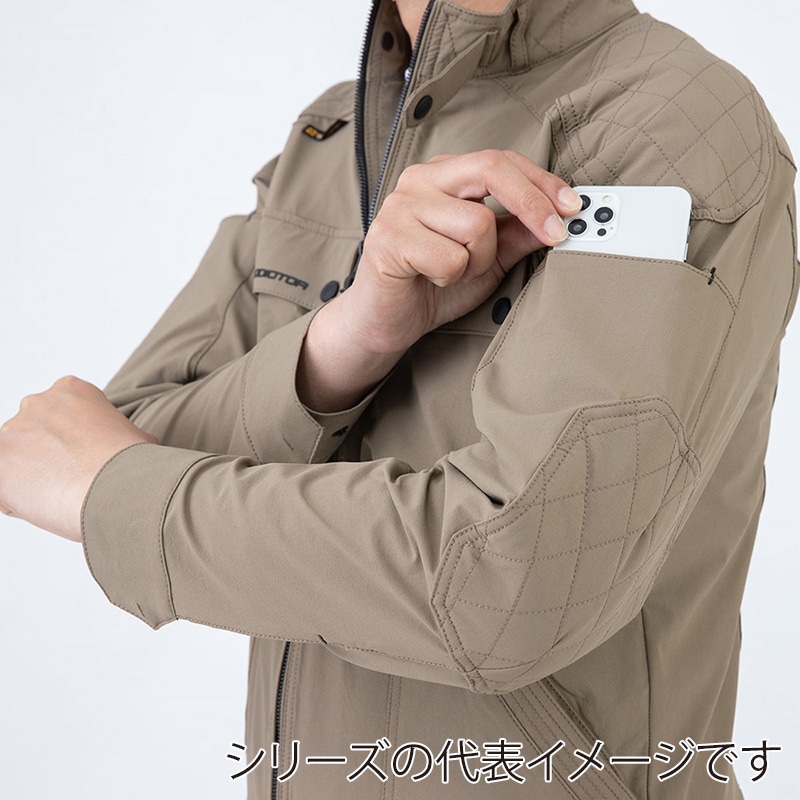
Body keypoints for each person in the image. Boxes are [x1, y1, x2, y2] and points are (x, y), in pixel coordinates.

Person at [0, 0, 797, 797]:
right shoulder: (334, 137)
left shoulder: (667, 123)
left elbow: (503, 587)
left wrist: (121, 497)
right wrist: (343, 343)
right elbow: (124, 439)